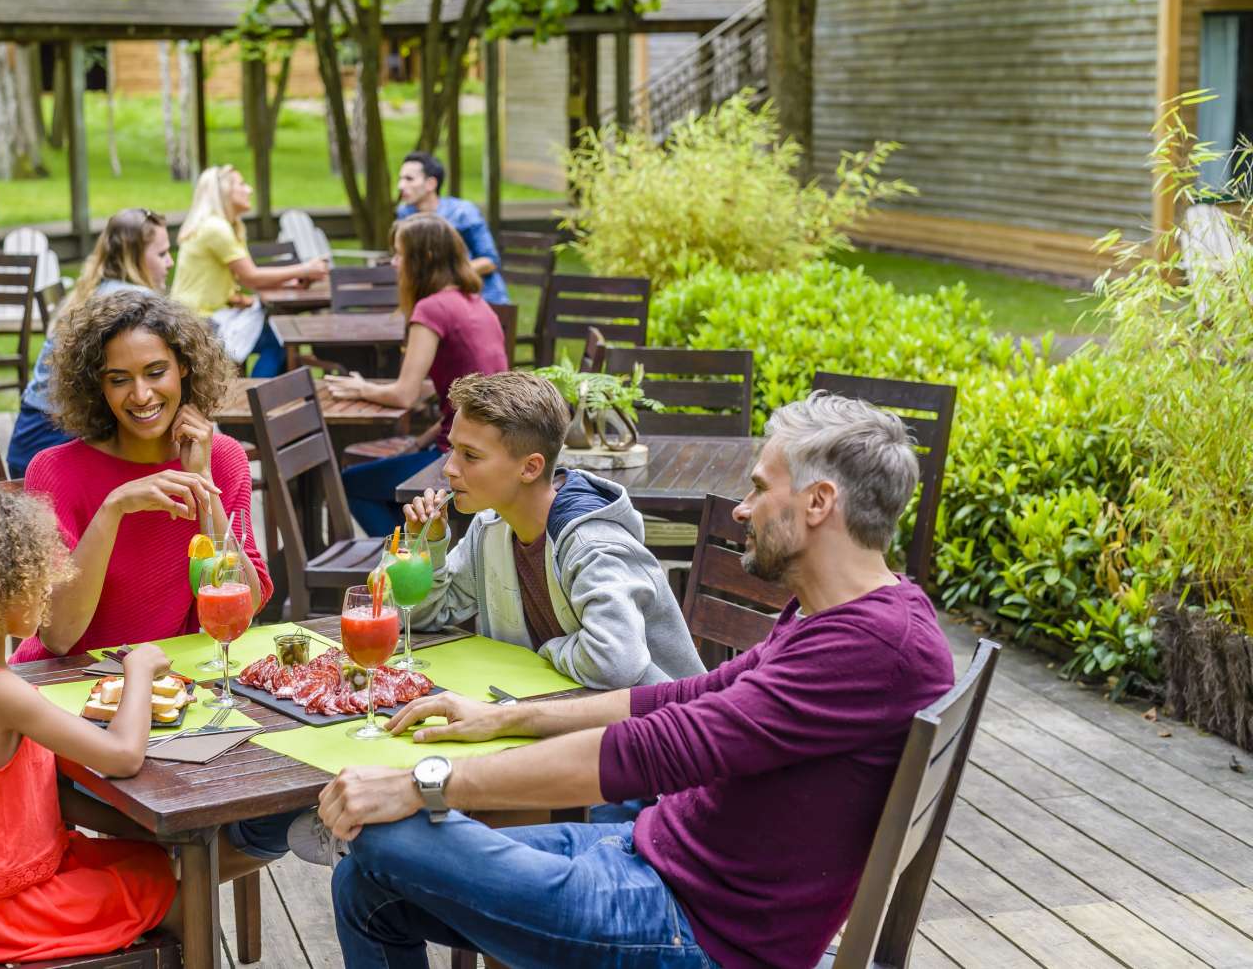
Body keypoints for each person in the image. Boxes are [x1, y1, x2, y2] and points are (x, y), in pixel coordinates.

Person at [316, 392, 958, 969]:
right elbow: (683, 694)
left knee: (387, 838)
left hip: (699, 929)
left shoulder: (873, 646)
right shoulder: (844, 615)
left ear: (819, 503)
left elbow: (653, 749)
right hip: (656, 855)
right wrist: (503, 717)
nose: (742, 509)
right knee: (364, 885)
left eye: (761, 489)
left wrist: (424, 783)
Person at [0, 484, 180, 965]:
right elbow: (124, 756)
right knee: (169, 891)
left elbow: (40, 796)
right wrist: (139, 668)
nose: (48, 588)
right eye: (34, 577)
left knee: (150, 861)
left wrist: (153, 833)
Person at [11, 291, 272, 664]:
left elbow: (244, 609)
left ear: (184, 366)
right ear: (98, 385)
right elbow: (59, 637)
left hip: (168, 679)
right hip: (65, 680)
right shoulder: (55, 471)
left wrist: (201, 480)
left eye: (155, 372)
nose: (141, 394)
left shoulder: (222, 459)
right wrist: (113, 509)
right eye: (119, 379)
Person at [397, 370, 703, 688]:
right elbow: (419, 617)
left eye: (470, 456)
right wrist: (429, 545)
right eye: (453, 450)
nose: (449, 468)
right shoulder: (490, 528)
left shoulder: (591, 545)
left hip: (659, 714)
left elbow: (615, 663)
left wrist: (542, 652)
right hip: (553, 704)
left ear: (530, 468)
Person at [324, 215, 508, 537]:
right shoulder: (476, 302)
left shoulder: (432, 309)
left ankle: (408, 556)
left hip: (458, 457)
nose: (394, 263)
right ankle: (420, 546)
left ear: (424, 258)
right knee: (388, 482)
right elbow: (463, 402)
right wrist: (418, 444)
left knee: (349, 483)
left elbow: (404, 395)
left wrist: (361, 388)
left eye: (399, 254)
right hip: (489, 446)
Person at [5, 208, 175, 479]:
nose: (170, 262)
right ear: (134, 256)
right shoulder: (134, 304)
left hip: (27, 440)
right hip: (50, 450)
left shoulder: (96, 289)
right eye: (162, 253)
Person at [173, 164, 328, 377]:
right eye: (241, 184)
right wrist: (304, 269)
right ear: (225, 191)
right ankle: (257, 392)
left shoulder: (220, 226)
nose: (249, 189)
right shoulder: (216, 228)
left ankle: (256, 389)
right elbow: (251, 277)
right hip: (200, 322)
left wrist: (287, 282)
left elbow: (240, 278)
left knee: (274, 335)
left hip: (196, 317)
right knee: (279, 339)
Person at [395, 152, 508, 305]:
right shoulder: (405, 214)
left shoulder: (463, 212)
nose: (400, 186)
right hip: (432, 300)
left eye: (409, 179)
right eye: (401, 179)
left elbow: (490, 261)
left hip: (483, 300)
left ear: (431, 184)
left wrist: (445, 276)